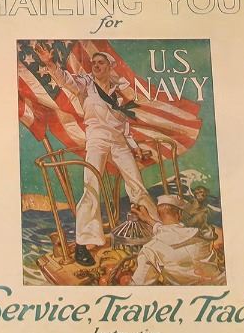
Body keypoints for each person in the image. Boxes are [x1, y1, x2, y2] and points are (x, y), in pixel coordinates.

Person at [40, 47, 159, 266]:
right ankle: (84, 243)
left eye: (100, 62)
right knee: (91, 187)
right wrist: (50, 64)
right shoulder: (86, 84)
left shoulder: (118, 92)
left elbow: (125, 129)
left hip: (119, 142)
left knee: (136, 185)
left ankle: (155, 230)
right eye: (93, 62)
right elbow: (65, 80)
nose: (95, 65)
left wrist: (135, 148)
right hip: (97, 140)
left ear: (110, 66)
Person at [131, 195, 224, 286]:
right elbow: (174, 232)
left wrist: (149, 220)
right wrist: (148, 220)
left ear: (158, 216)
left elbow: (139, 285)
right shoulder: (203, 236)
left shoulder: (151, 249)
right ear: (180, 214)